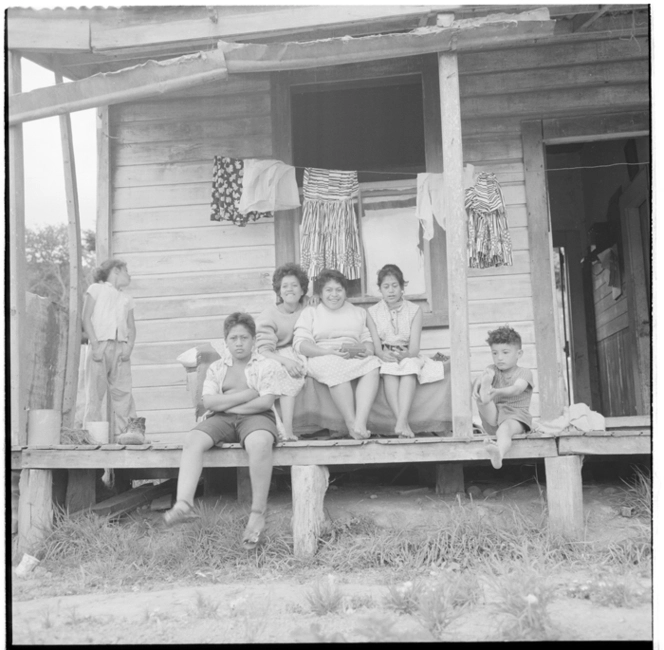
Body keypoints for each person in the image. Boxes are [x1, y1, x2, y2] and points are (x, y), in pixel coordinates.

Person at [163, 312, 281, 549]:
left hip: (256, 417)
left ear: (253, 340)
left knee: (259, 443)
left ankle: (257, 512)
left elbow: (265, 402)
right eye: (234, 338)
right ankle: (183, 503)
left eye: (245, 338)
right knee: (193, 439)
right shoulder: (217, 368)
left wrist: (228, 400)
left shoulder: (266, 365)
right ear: (226, 341)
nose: (239, 343)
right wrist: (247, 394)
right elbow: (209, 403)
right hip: (222, 419)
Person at [293, 269, 381, 440]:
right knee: (335, 365)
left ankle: (360, 423)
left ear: (345, 292)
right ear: (320, 293)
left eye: (339, 290)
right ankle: (350, 423)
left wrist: (366, 350)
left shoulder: (357, 312)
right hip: (323, 355)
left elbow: (367, 339)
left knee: (373, 365)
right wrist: (327, 351)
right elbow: (300, 344)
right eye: (329, 290)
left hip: (352, 354)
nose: (334, 295)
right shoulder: (311, 312)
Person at [366, 264, 445, 438]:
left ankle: (401, 421)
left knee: (409, 368)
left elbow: (415, 347)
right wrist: (382, 354)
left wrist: (406, 355)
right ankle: (402, 423)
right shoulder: (372, 312)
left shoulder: (414, 310)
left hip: (408, 353)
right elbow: (377, 347)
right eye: (386, 287)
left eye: (395, 286)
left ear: (402, 287)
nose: (391, 291)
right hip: (386, 354)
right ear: (380, 289)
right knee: (389, 371)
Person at [81, 258, 140, 443]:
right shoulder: (96, 289)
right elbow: (86, 318)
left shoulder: (126, 298)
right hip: (101, 345)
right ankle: (92, 436)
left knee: (123, 393)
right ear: (115, 270)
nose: (129, 276)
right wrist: (95, 345)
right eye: (126, 271)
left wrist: (128, 347)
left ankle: (128, 434)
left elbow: (131, 326)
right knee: (94, 393)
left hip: (120, 348)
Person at [255, 263, 310, 441]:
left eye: (295, 285)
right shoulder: (269, 315)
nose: (290, 290)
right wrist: (286, 361)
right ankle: (287, 430)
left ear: (302, 290)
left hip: (299, 350)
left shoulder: (308, 306)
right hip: (274, 353)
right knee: (288, 374)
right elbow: (263, 350)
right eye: (285, 286)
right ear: (278, 291)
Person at [472, 325, 534, 469]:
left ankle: (498, 453)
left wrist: (498, 392)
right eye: (494, 353)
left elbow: (517, 389)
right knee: (483, 392)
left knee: (504, 430)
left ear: (519, 353)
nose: (499, 358)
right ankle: (484, 395)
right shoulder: (493, 369)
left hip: (515, 417)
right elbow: (485, 376)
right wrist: (477, 385)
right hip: (494, 418)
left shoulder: (525, 373)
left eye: (505, 352)